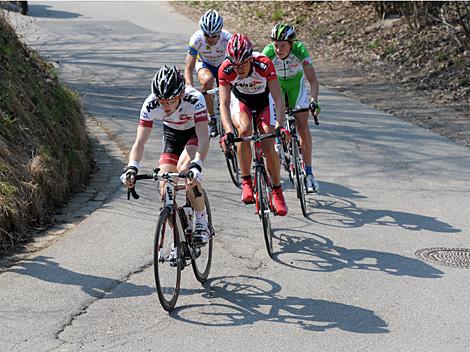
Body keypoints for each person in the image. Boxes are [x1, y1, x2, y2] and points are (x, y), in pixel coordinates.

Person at [120, 65, 211, 245]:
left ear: (180, 94)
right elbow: (139, 142)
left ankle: (201, 221)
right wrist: (132, 167)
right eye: (162, 101)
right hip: (172, 136)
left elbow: (203, 136)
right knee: (165, 187)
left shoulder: (195, 99)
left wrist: (197, 164)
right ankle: (179, 238)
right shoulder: (150, 104)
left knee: (185, 170)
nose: (166, 105)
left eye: (170, 101)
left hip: (193, 134)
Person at [218, 33, 289, 216]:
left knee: (268, 141)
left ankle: (277, 191)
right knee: (243, 130)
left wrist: (280, 126)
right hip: (242, 101)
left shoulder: (264, 63)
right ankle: (246, 181)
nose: (238, 69)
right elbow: (224, 104)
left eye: (242, 64)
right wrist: (227, 131)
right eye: (235, 64)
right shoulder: (226, 69)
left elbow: (278, 99)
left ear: (250, 58)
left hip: (264, 101)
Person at [262, 24, 321, 193]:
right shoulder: (267, 53)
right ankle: (279, 143)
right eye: (276, 45)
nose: (279, 49)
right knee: (272, 122)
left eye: (283, 45)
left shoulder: (300, 51)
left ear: (291, 44)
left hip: (296, 86)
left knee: (303, 125)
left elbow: (313, 80)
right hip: (277, 86)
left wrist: (314, 100)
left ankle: (309, 173)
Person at [184, 9, 231, 138]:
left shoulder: (228, 38)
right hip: (205, 63)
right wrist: (189, 87)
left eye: (214, 36)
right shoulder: (196, 39)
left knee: (230, 83)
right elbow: (189, 67)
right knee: (207, 81)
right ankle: (212, 118)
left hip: (223, 63)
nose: (210, 39)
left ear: (220, 32)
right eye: (207, 35)